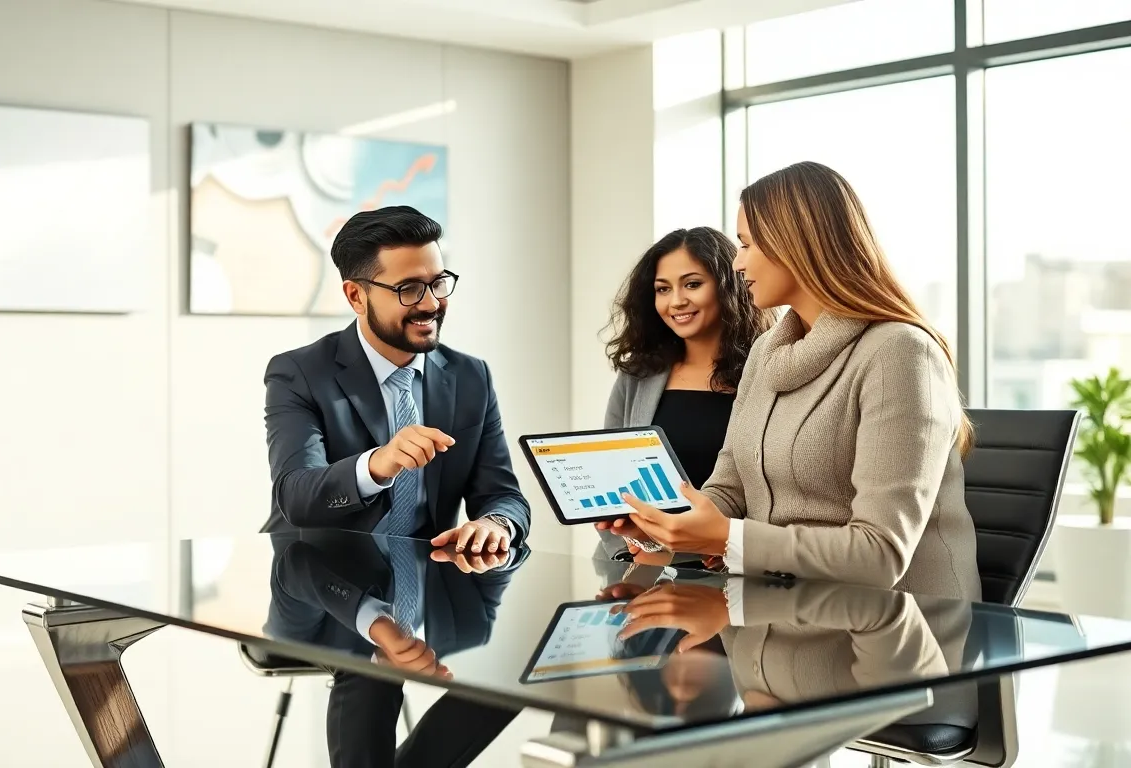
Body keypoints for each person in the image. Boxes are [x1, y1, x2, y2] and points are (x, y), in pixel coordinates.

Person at [600, 161, 981, 601]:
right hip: (779, 611)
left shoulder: (900, 352)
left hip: (896, 630)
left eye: (746, 244)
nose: (737, 264)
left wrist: (725, 538)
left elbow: (880, 557)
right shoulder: (767, 353)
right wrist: (664, 525)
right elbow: (729, 488)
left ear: (796, 244)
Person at [262, 205, 532, 554]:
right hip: (319, 584)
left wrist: (494, 523)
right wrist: (376, 464)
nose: (431, 303)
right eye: (409, 289)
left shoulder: (470, 376)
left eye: (437, 283)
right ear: (357, 296)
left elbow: (502, 494)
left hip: (428, 582)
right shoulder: (299, 373)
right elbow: (296, 494)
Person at [265, 529, 527, 768]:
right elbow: (294, 561)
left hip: (406, 595)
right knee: (370, 664)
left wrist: (497, 522)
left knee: (516, 674)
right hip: (306, 606)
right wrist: (375, 626)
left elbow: (502, 497)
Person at [599, 227, 770, 560]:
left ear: (727, 285)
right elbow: (612, 479)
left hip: (731, 566)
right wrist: (632, 552)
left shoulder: (766, 370)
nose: (676, 301)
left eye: (692, 284)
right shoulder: (637, 374)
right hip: (641, 565)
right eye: (663, 289)